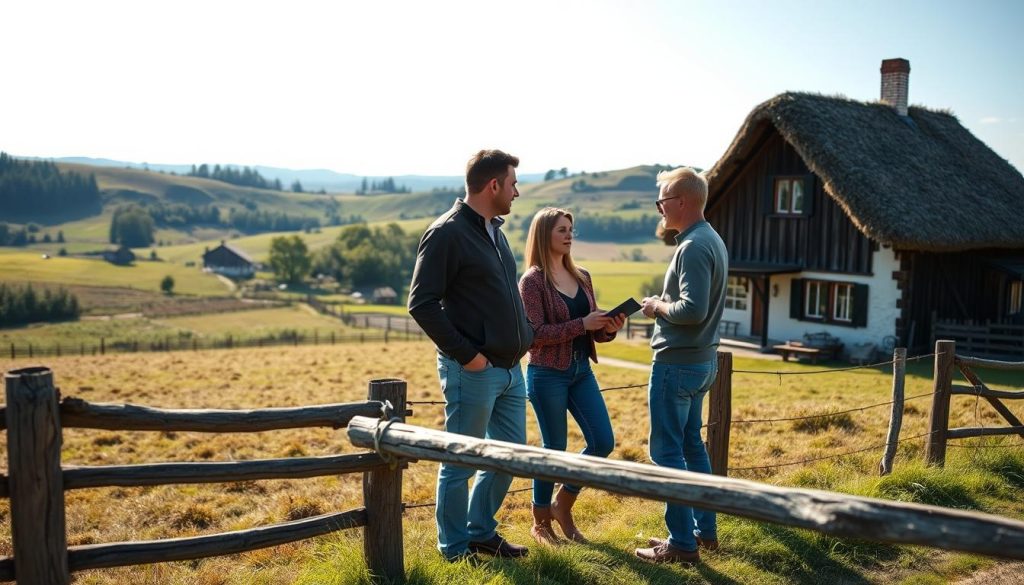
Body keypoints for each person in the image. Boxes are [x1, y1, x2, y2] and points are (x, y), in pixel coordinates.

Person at [407, 149, 535, 561]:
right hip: (475, 370)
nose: (517, 192)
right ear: (493, 185)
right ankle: (454, 549)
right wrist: (469, 357)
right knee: (460, 462)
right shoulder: (446, 233)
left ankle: (481, 532)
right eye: (513, 183)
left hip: (512, 370)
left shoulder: (494, 231)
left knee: (509, 458)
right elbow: (421, 304)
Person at [634, 167, 728, 565]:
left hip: (677, 365)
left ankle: (681, 544)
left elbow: (692, 309)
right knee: (692, 446)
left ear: (683, 202)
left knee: (667, 453)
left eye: (663, 201)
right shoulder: (711, 239)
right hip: (701, 362)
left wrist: (657, 306)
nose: (659, 208)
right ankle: (702, 532)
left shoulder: (691, 246)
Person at [518, 207, 626, 546]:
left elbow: (593, 332)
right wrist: (582, 324)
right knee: (554, 449)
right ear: (544, 234)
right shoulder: (532, 282)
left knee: (603, 442)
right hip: (547, 373)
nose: (568, 235)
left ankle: (562, 504)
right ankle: (540, 523)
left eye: (571, 229)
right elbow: (534, 334)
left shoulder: (583, 276)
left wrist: (608, 328)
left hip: (582, 370)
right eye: (561, 230)